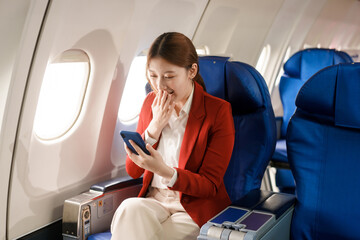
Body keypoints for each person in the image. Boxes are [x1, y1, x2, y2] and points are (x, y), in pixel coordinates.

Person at [110, 32, 235, 240]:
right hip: (154, 202)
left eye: (169, 77)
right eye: (153, 76)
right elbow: (133, 171)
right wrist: (154, 126)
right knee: (129, 208)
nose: (160, 85)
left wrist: (165, 171)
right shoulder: (151, 103)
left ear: (192, 70)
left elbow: (210, 185)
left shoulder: (218, 112)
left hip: (193, 208)